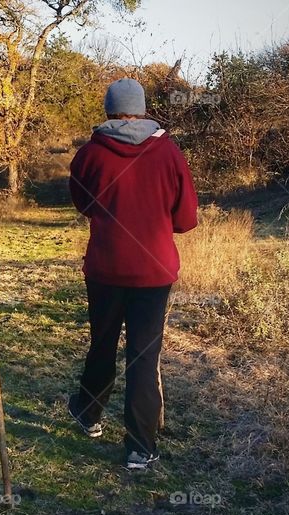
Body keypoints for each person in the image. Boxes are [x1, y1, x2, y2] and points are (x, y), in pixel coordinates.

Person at [67, 78, 198, 471]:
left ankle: (89, 414)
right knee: (143, 355)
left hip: (105, 268)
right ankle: (140, 447)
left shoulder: (90, 154)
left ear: (108, 110)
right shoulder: (169, 154)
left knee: (102, 343)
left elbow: (82, 202)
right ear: (142, 110)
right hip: (153, 272)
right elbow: (186, 217)